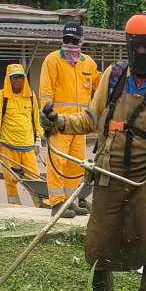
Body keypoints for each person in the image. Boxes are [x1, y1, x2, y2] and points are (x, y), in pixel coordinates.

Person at [41, 11, 146, 291]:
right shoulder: (114, 76)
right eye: (137, 46)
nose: (142, 52)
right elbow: (90, 118)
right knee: (99, 244)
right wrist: (59, 122)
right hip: (108, 174)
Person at [40, 20, 101, 218]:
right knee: (57, 162)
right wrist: (48, 117)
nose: (70, 44)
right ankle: (57, 203)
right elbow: (46, 92)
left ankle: (70, 200)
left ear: (82, 41)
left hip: (79, 125)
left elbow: (100, 88)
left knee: (76, 165)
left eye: (74, 40)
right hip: (59, 123)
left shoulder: (89, 64)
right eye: (67, 40)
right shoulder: (52, 61)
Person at [0, 63, 43, 206]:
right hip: (8, 146)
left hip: (28, 146)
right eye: (15, 78)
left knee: (34, 178)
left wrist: (38, 139)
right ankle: (15, 206)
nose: (18, 80)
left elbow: (36, 118)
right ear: (9, 79)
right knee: (10, 179)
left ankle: (41, 204)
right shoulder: (2, 96)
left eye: (21, 77)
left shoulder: (31, 96)